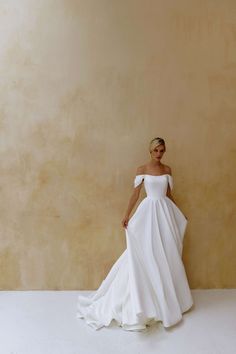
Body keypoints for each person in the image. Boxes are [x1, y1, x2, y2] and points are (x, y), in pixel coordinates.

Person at [77, 137, 194, 331]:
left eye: (162, 150)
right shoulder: (142, 170)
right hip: (148, 212)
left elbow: (169, 195)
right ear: (150, 151)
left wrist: (179, 212)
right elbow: (135, 194)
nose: (159, 154)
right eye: (156, 150)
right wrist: (127, 215)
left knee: (165, 252)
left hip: (164, 212)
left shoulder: (167, 170)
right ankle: (145, 299)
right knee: (146, 252)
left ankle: (166, 297)